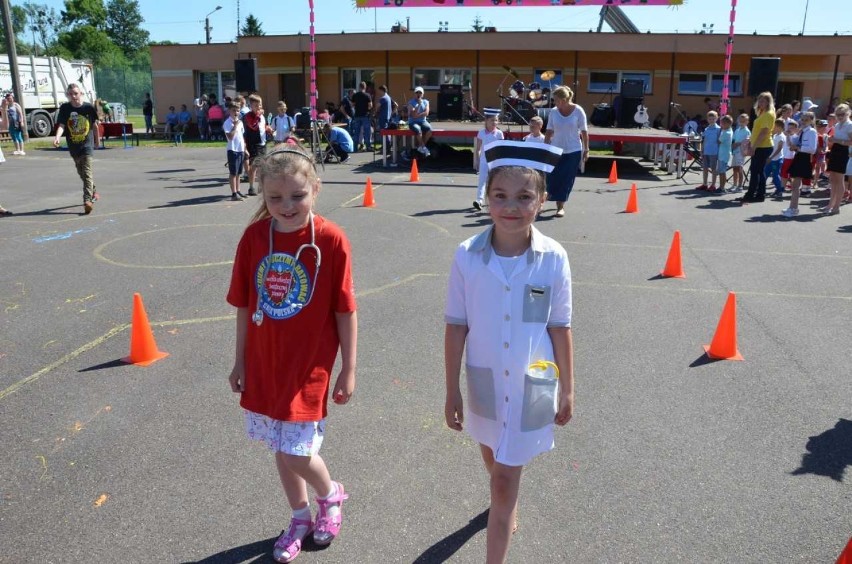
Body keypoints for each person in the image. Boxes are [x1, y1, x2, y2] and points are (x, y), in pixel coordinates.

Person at [444, 140, 572, 564]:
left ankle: (502, 508)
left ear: (543, 200)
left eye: (524, 197)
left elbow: (559, 325)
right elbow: (457, 325)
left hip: (529, 385)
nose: (511, 207)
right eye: (500, 196)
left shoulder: (553, 258)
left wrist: (569, 389)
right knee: (489, 449)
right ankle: (504, 499)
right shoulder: (467, 256)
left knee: (502, 483)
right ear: (486, 197)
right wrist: (451, 390)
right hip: (481, 378)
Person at [227, 144, 356, 564]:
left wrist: (348, 368)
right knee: (280, 445)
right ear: (260, 192)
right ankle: (299, 517)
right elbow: (245, 305)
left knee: (294, 450)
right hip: (267, 364)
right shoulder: (253, 239)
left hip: (309, 367)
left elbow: (344, 309)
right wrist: (241, 360)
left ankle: (330, 494)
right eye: (274, 197)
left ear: (315, 189)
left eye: (297, 196)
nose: (286, 206)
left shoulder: (331, 240)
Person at [52, 83, 101, 215]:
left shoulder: (88, 107)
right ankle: (94, 191)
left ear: (81, 94)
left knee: (87, 172)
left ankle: (87, 201)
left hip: (87, 145)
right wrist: (57, 137)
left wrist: (97, 140)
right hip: (73, 146)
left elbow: (95, 126)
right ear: (68, 95)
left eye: (76, 93)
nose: (73, 96)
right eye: (70, 94)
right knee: (82, 173)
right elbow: (62, 125)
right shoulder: (65, 108)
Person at [544, 85, 588, 217]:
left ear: (563, 100)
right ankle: (549, 198)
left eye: (556, 100)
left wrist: (586, 149)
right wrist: (544, 148)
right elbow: (549, 131)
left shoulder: (578, 110)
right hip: (555, 149)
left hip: (573, 150)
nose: (554, 102)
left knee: (566, 179)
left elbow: (584, 132)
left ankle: (560, 207)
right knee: (552, 177)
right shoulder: (553, 111)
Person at [740, 91, 776, 204]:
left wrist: (754, 147)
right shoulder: (763, 113)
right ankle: (757, 194)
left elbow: (764, 132)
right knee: (757, 171)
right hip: (760, 145)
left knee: (756, 171)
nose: (760, 102)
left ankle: (753, 194)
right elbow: (757, 131)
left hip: (763, 146)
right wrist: (751, 140)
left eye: (763, 100)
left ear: (768, 102)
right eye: (759, 100)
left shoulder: (768, 114)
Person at [781, 111, 817, 218]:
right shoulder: (801, 131)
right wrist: (788, 136)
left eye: (806, 120)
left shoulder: (812, 132)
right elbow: (791, 144)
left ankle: (794, 209)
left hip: (804, 159)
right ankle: (792, 207)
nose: (803, 121)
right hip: (798, 157)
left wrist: (798, 148)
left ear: (811, 120)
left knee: (796, 185)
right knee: (794, 185)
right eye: (802, 119)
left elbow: (812, 149)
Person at [473, 109, 505, 211]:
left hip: (495, 161)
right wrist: (477, 161)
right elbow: (478, 149)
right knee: (482, 180)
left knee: (495, 182)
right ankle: (479, 200)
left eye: (496, 120)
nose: (494, 123)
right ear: (486, 121)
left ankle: (495, 201)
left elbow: (501, 148)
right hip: (484, 160)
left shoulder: (499, 133)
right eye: (492, 120)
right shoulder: (481, 133)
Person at [824, 103, 852, 215]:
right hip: (835, 151)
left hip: (844, 152)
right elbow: (836, 139)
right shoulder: (837, 125)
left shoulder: (850, 125)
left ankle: (836, 207)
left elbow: (851, 142)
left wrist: (836, 141)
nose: (840, 116)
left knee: (840, 179)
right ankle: (830, 204)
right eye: (838, 114)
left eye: (843, 114)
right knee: (833, 178)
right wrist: (831, 140)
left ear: (848, 113)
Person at [242, 94, 267, 196]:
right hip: (253, 144)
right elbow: (253, 126)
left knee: (263, 166)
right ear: (251, 106)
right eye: (256, 105)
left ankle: (262, 186)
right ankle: (251, 187)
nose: (259, 107)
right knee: (254, 167)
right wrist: (258, 115)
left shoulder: (262, 116)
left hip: (262, 143)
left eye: (260, 105)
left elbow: (262, 127)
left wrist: (268, 129)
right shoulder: (248, 116)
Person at [223, 102, 249, 201]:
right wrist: (234, 126)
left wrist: (245, 149)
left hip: (240, 149)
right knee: (233, 173)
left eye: (238, 110)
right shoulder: (227, 123)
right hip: (232, 149)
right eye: (234, 110)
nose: (236, 112)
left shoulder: (240, 122)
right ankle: (233, 193)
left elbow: (242, 137)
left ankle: (238, 191)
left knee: (239, 172)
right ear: (229, 111)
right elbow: (230, 137)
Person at [697, 110, 720, 191]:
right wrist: (702, 150)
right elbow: (704, 140)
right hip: (706, 151)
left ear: (716, 118)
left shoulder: (718, 129)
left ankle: (713, 185)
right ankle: (705, 184)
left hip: (714, 152)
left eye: (713, 119)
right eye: (710, 119)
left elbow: (719, 141)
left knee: (714, 169)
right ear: (707, 119)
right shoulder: (706, 129)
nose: (711, 120)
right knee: (705, 168)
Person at [728, 113, 751, 193]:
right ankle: (734, 184)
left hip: (741, 152)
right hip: (735, 151)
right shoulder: (737, 130)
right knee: (735, 168)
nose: (741, 123)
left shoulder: (747, 131)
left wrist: (738, 143)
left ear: (747, 122)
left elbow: (747, 142)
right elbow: (733, 139)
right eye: (740, 121)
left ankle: (740, 186)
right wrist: (733, 144)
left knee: (740, 168)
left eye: (743, 121)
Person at [408, 87, 433, 156]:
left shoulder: (426, 102)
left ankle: (421, 146)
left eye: (420, 93)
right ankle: (424, 147)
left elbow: (426, 113)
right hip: (413, 122)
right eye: (417, 93)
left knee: (430, 130)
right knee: (418, 129)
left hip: (422, 121)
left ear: (422, 94)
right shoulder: (411, 102)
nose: (418, 94)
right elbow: (412, 114)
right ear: (414, 94)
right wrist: (418, 105)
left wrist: (417, 115)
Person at [766, 118, 786, 198]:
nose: (773, 127)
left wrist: (771, 157)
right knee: (765, 173)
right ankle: (759, 188)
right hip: (771, 159)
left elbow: (779, 149)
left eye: (775, 126)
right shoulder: (775, 135)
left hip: (776, 160)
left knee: (775, 175)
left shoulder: (781, 136)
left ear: (780, 127)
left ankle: (779, 190)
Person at [350, 81, 373, 152]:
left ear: (359, 87)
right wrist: (367, 109)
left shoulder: (355, 95)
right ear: (365, 87)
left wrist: (357, 107)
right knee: (367, 132)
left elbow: (352, 105)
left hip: (357, 115)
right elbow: (370, 106)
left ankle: (355, 148)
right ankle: (368, 147)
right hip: (365, 115)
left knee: (356, 132)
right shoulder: (367, 95)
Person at [716, 115, 733, 193]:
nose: (721, 125)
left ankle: (722, 188)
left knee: (722, 172)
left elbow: (718, 141)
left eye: (722, 123)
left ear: (727, 124)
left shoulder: (726, 133)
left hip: (723, 155)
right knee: (721, 171)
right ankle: (721, 187)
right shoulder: (728, 130)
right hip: (723, 154)